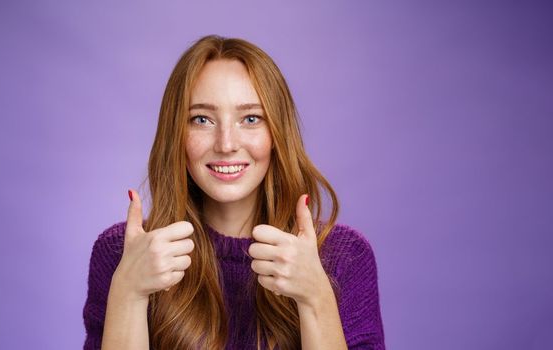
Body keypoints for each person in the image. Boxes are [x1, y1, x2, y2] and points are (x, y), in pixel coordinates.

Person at [83, 34, 385, 349]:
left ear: (277, 133)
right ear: (176, 133)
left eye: (250, 119)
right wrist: (128, 293)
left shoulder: (344, 256)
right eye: (201, 119)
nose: (226, 144)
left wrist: (316, 298)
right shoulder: (123, 253)